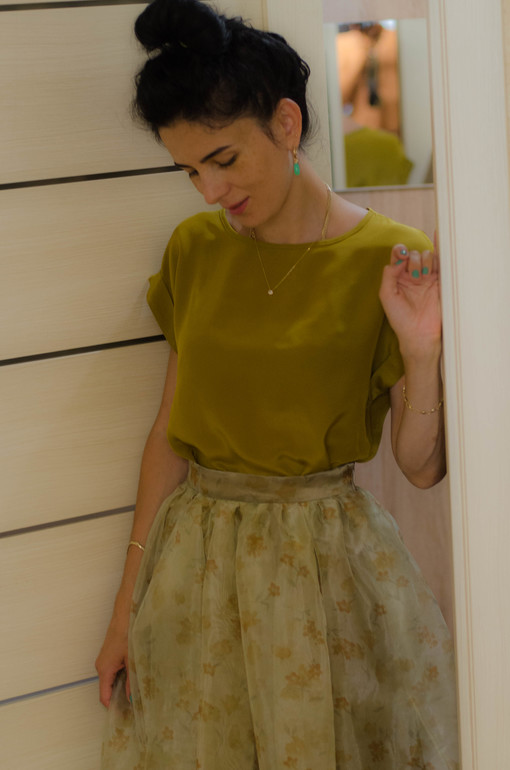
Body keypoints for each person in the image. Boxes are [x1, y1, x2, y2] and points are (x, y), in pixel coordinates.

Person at [96, 1, 458, 768]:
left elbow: (422, 468)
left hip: (327, 576)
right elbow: (168, 434)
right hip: (197, 572)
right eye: (190, 170)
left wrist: (422, 350)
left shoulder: (390, 256)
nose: (208, 191)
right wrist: (125, 607)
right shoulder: (195, 248)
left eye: (223, 160)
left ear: (286, 124)